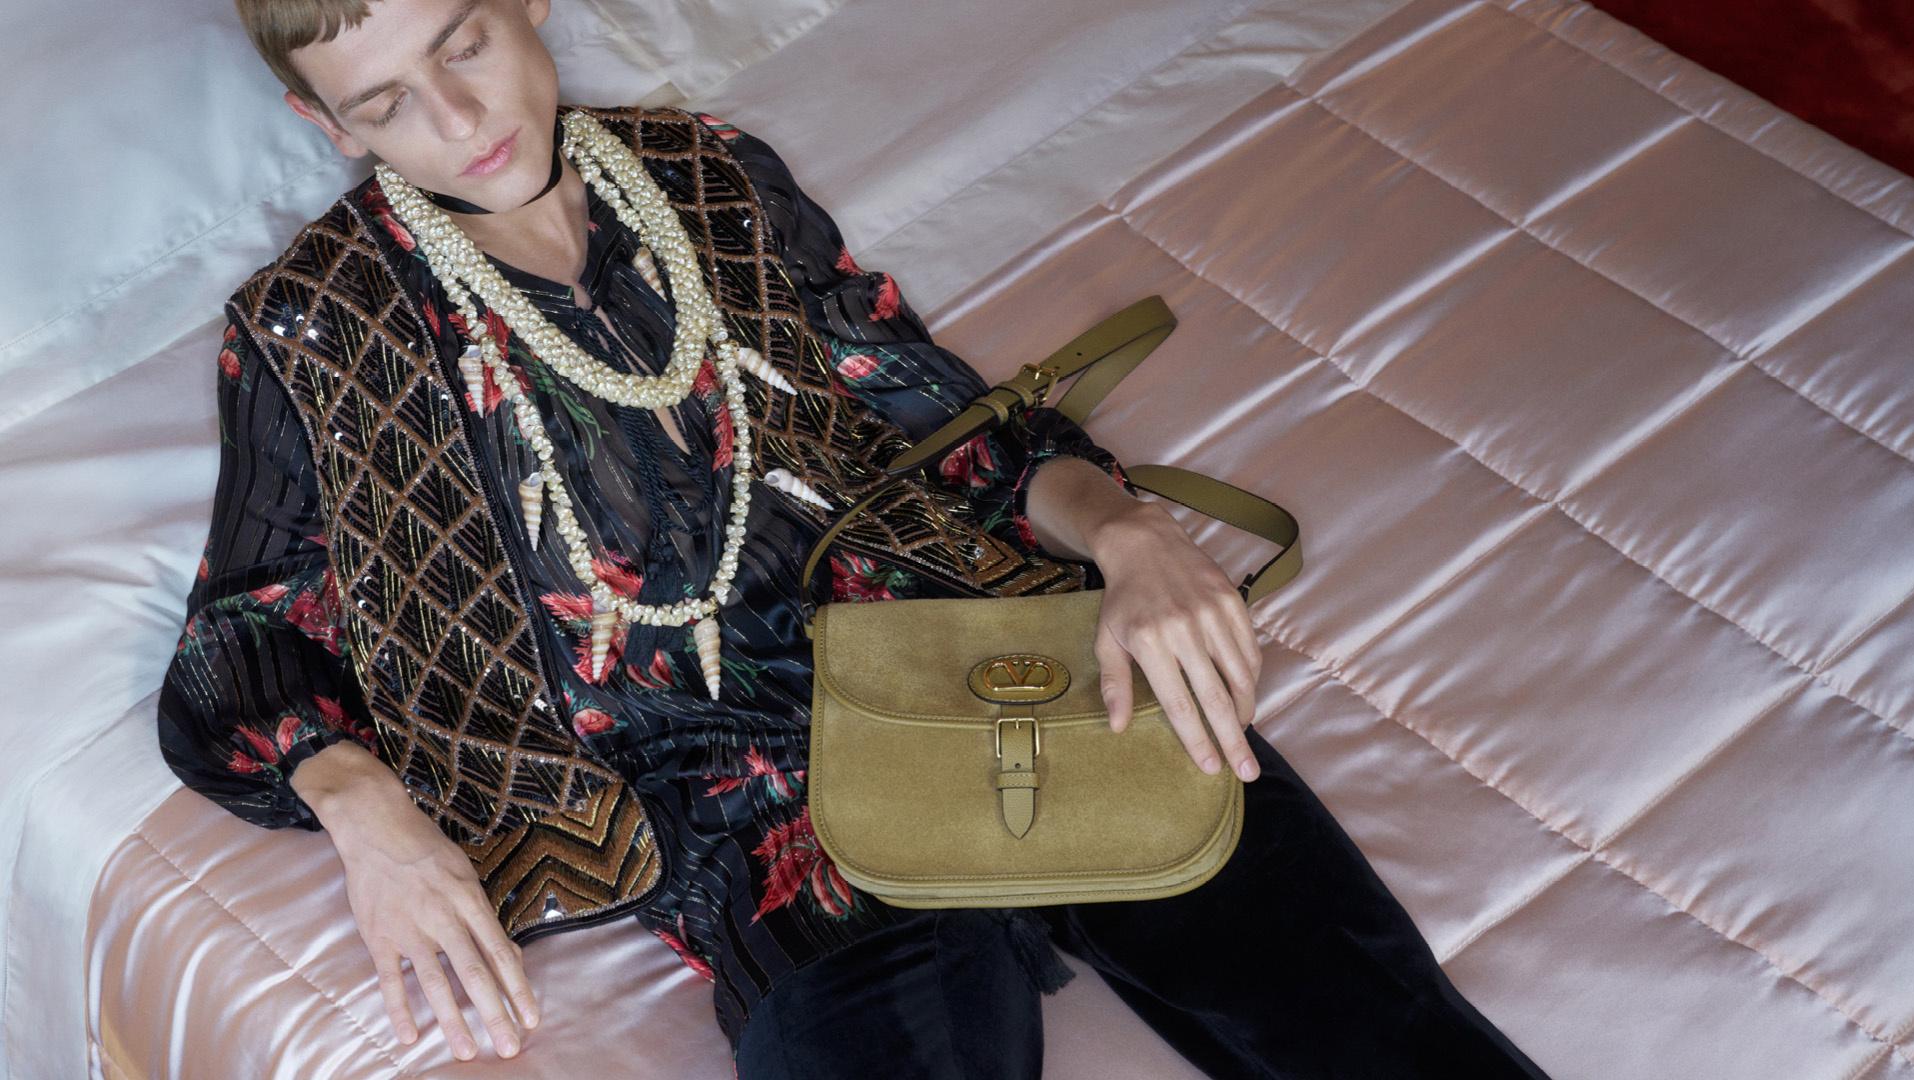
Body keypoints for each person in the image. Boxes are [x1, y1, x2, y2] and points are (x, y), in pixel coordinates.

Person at [156, 0, 1556, 1076]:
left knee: (1394, 1043)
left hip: (997, 672)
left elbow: (943, 421)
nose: (461, 118)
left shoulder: (704, 171)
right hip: (759, 833)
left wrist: (1130, 537)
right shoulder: (311, 323)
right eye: (386, 102)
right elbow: (242, 639)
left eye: (463, 43)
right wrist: (365, 811)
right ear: (324, 122)